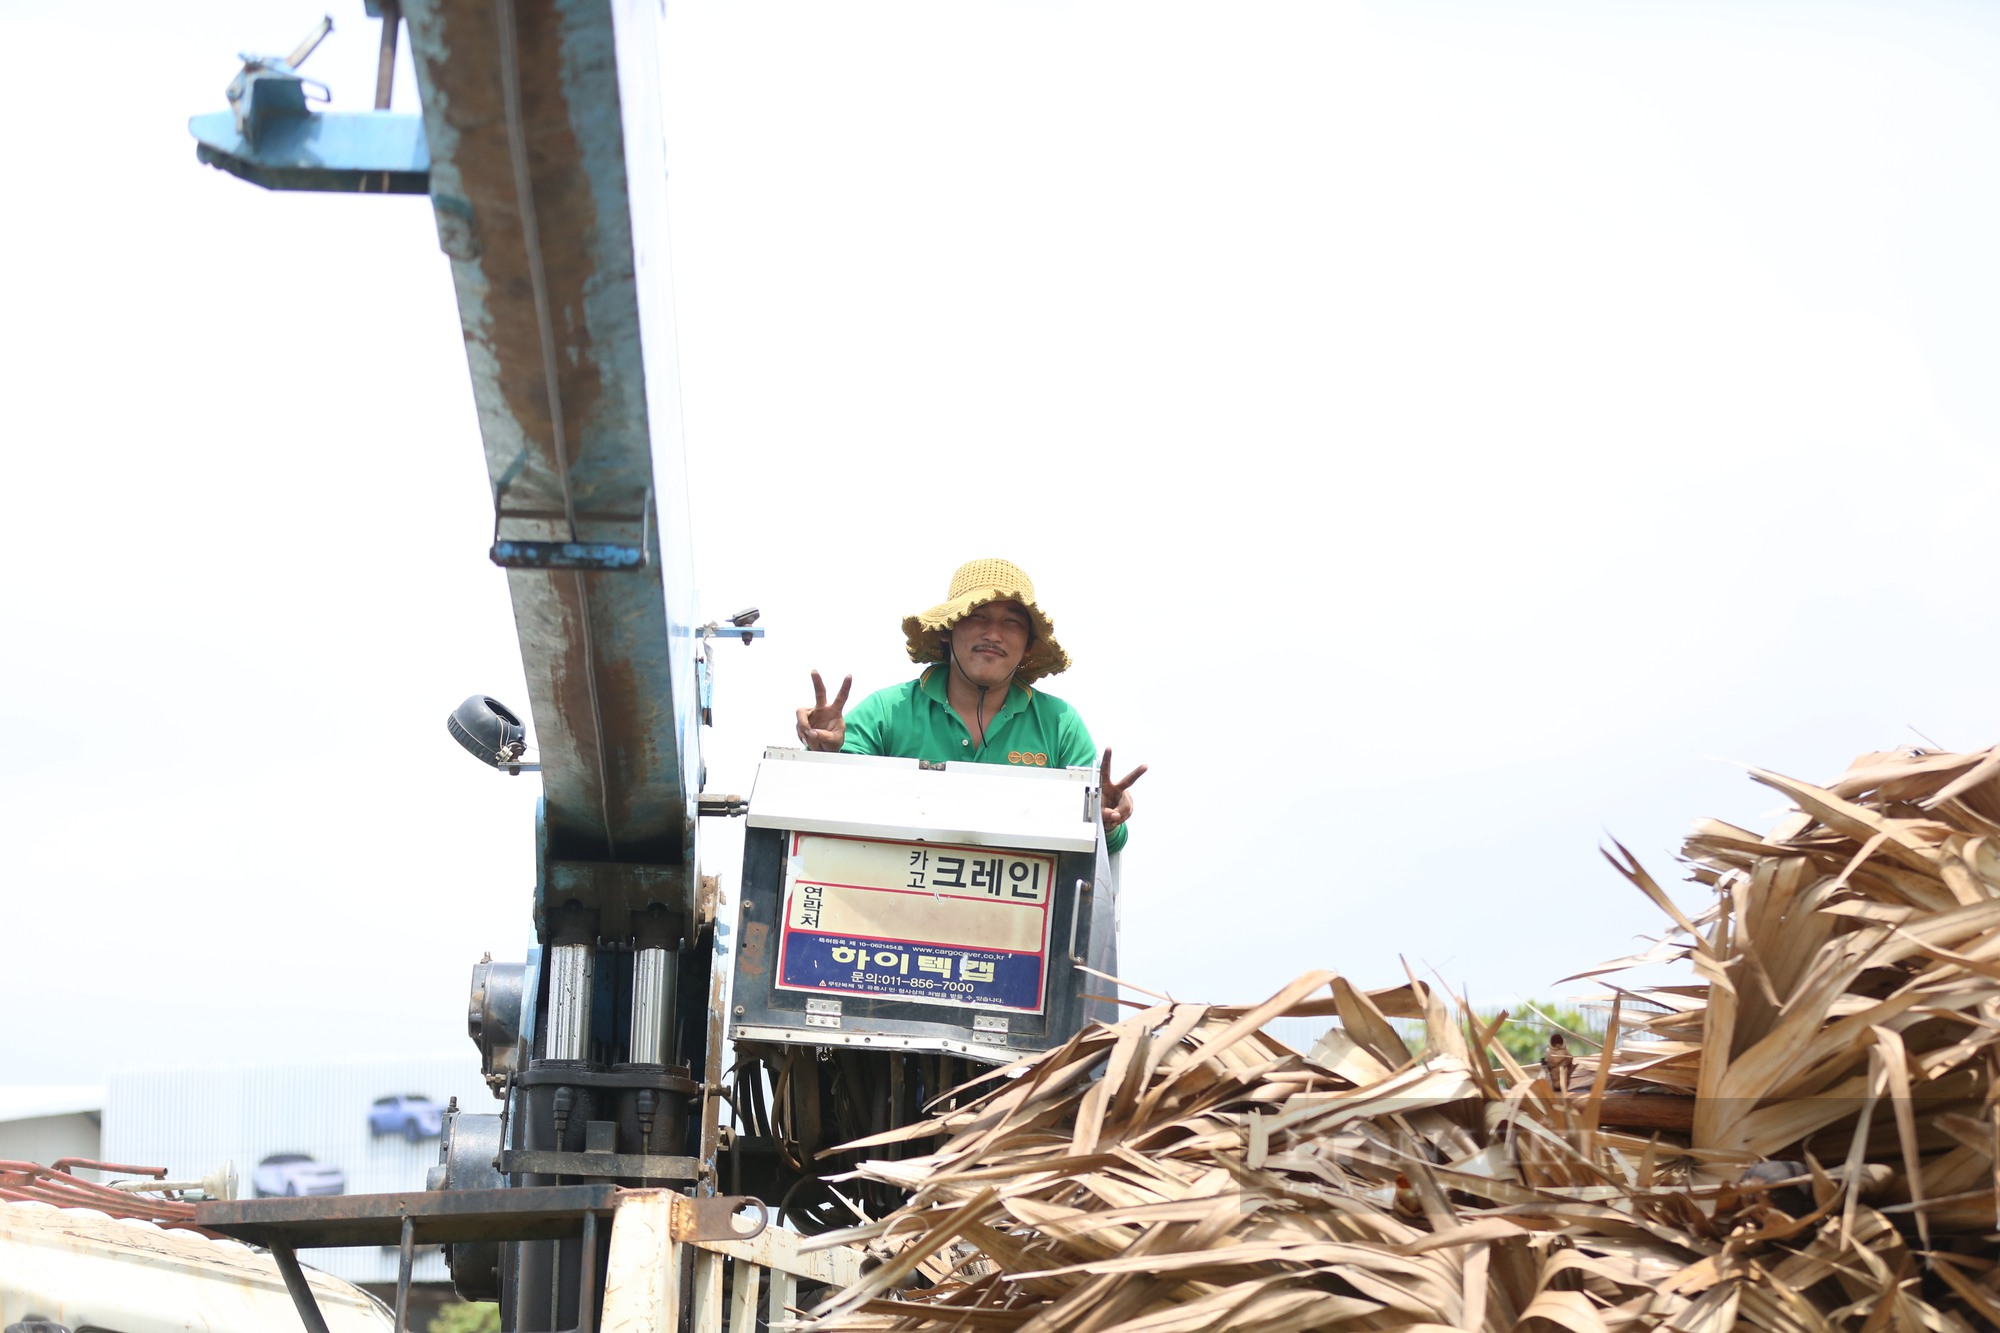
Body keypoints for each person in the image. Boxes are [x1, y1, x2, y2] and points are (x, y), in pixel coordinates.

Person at [795, 557, 1145, 851]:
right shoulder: (889, 710)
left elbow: (1106, 838)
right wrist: (827, 752)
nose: (993, 634)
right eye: (977, 615)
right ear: (947, 629)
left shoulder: (1059, 724)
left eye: (1011, 621)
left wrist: (1107, 819)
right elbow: (831, 795)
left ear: (1027, 646)